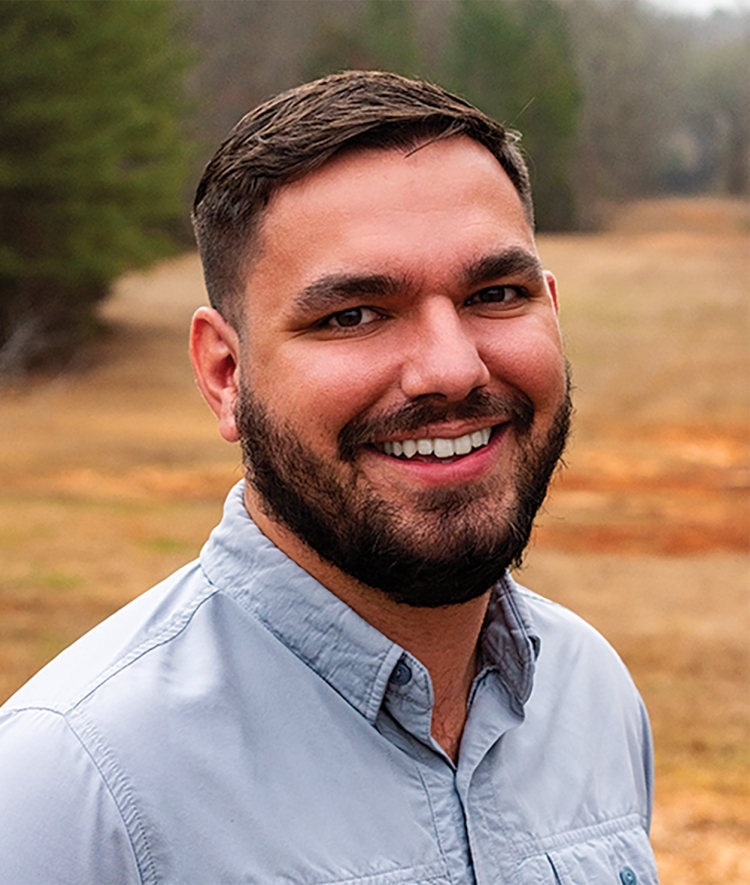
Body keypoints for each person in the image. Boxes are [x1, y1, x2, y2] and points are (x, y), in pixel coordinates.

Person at [0, 71, 658, 884]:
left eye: (495, 293)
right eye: (352, 314)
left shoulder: (591, 694)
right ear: (224, 372)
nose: (452, 369)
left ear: (551, 310)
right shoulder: (76, 785)